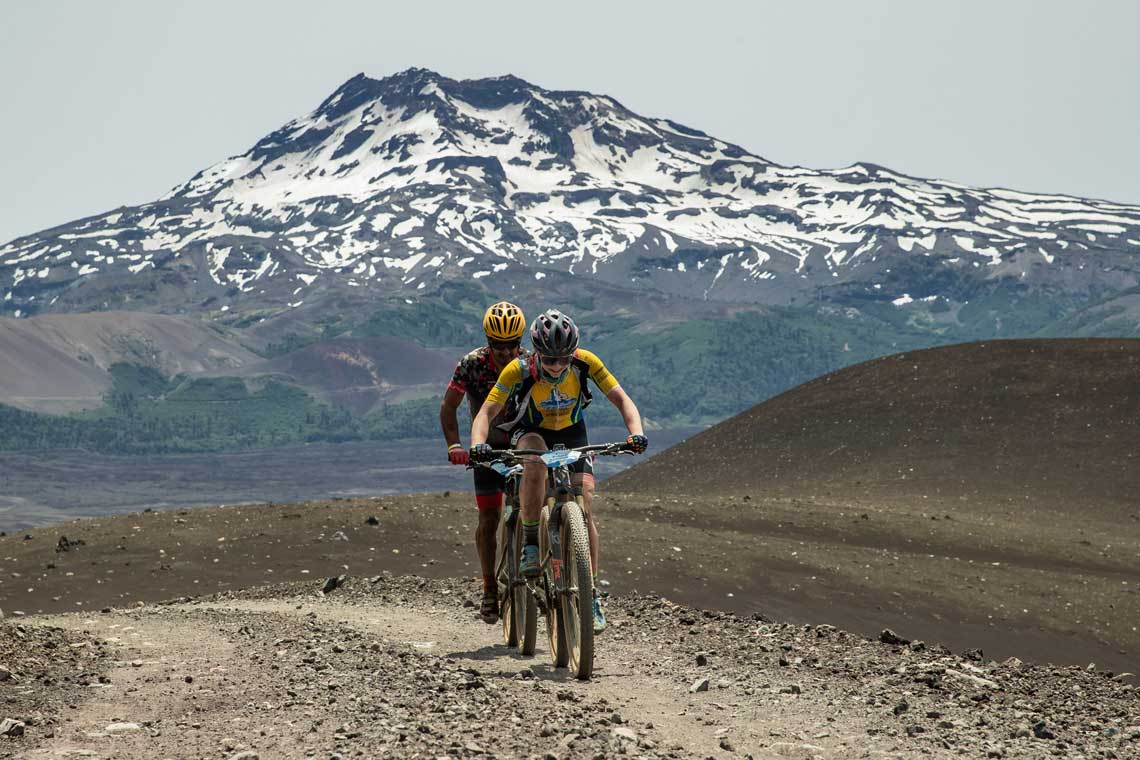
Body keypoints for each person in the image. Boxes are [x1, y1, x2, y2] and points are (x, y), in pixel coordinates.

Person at [468, 309, 648, 633]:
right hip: (531, 431)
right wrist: (477, 442)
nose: (557, 366)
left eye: (563, 359)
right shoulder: (518, 369)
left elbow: (623, 400)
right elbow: (487, 412)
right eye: (550, 359)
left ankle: (590, 594)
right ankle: (533, 543)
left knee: (585, 504)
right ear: (536, 352)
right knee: (534, 459)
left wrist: (635, 433)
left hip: (572, 432)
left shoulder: (586, 363)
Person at [440, 301, 527, 625]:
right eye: (496, 345)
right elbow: (448, 408)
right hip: (485, 451)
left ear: (519, 342)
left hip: (523, 446)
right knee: (489, 518)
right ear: (487, 341)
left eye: (510, 346)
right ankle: (490, 587)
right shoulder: (471, 365)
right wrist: (456, 445)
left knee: (536, 505)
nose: (504, 353)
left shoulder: (530, 363)